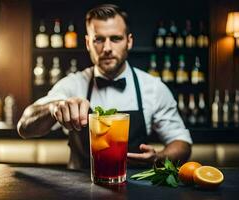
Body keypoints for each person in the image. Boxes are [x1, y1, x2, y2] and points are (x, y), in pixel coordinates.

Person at [17, 4, 192, 169]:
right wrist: (54, 108)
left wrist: (159, 158)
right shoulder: (72, 84)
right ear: (87, 43)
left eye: (115, 39)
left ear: (129, 42)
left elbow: (181, 142)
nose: (107, 48)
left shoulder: (153, 88)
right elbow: (25, 127)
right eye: (99, 39)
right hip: (77, 189)